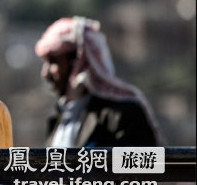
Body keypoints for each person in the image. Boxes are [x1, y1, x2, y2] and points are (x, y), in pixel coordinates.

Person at [35, 16, 162, 147]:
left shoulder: (122, 115)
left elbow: (145, 166)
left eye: (53, 62)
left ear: (79, 62)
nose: (45, 73)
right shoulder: (59, 119)